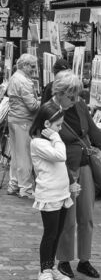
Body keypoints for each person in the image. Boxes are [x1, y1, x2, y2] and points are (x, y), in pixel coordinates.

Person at [50, 70, 101, 279]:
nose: (75, 99)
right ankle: (64, 259)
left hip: (84, 164)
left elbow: (93, 131)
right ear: (60, 92)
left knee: (86, 216)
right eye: (71, 96)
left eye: (77, 95)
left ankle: (84, 259)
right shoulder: (50, 111)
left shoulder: (80, 105)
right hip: (64, 168)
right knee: (68, 218)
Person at [30, 101, 79, 280]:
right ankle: (43, 271)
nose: (60, 129)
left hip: (61, 193)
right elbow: (60, 156)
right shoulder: (37, 143)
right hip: (49, 194)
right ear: (46, 125)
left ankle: (50, 267)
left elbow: (62, 165)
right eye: (58, 125)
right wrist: (57, 137)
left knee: (58, 232)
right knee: (50, 234)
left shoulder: (52, 141)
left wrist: (71, 183)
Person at [7, 53, 40, 198]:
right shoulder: (25, 81)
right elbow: (32, 106)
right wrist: (43, 101)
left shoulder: (14, 77)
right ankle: (25, 188)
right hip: (24, 121)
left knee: (15, 154)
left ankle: (13, 184)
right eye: (32, 66)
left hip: (13, 119)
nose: (34, 70)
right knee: (25, 156)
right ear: (25, 65)